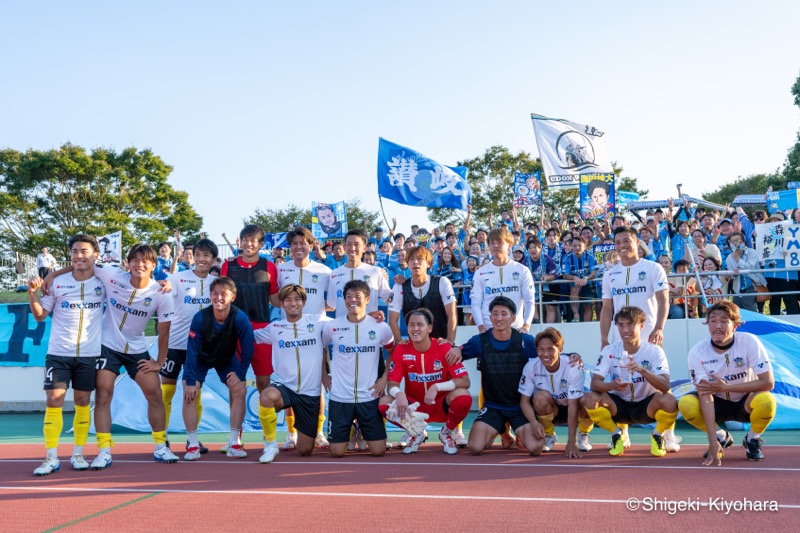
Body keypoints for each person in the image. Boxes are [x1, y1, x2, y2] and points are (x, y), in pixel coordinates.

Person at [44, 244, 178, 468]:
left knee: (155, 393)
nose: (139, 264)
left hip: (136, 350)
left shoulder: (161, 293)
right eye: (135, 260)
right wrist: (52, 275)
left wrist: (159, 362)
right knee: (104, 394)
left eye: (145, 261)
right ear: (128, 263)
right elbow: (83, 263)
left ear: (154, 265)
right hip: (107, 347)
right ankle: (104, 451)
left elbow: (164, 331)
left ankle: (160, 446)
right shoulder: (112, 275)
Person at [446, 297, 579, 455]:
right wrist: (455, 348)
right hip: (493, 406)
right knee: (475, 447)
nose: (499, 318)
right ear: (490, 317)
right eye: (495, 314)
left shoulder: (525, 341)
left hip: (520, 407)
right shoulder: (480, 341)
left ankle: (518, 432)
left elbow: (548, 354)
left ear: (513, 318)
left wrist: (573, 355)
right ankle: (502, 431)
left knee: (535, 448)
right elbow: (459, 352)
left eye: (504, 314)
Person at [29, 234, 105, 475]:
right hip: (58, 353)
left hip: (89, 354)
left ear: (95, 255)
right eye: (74, 251)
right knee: (54, 400)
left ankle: (78, 454)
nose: (79, 256)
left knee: (83, 402)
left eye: (84, 251)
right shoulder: (57, 283)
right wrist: (32, 293)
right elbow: (40, 316)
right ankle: (51, 457)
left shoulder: (104, 281)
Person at [678, 301, 776, 464]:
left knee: (767, 401)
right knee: (686, 404)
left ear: (735, 325)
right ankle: (720, 437)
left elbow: (768, 383)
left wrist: (728, 387)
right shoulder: (697, 352)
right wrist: (712, 440)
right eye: (713, 321)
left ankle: (751, 439)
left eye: (724, 321)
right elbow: (705, 395)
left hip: (745, 402)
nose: (718, 326)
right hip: (717, 403)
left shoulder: (749, 341)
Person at [582, 306, 678, 457]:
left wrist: (642, 370)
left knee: (670, 400)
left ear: (641, 326)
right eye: (621, 325)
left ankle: (657, 435)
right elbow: (594, 384)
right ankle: (616, 434)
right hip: (619, 406)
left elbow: (665, 386)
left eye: (630, 324)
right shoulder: (609, 350)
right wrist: (612, 385)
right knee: (589, 398)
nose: (625, 330)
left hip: (647, 406)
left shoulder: (654, 351)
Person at [255, 285, 330, 463]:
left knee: (304, 450)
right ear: (281, 304)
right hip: (285, 387)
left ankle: (310, 435)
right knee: (266, 396)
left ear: (304, 302)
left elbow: (346, 324)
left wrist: (372, 318)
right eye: (288, 300)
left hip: (310, 393)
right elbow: (247, 334)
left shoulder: (318, 321)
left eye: (297, 299)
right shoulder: (275, 327)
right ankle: (271, 445)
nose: (293, 303)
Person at [380, 309, 472, 454]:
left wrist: (437, 387)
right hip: (414, 409)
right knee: (384, 402)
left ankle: (446, 432)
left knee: (463, 396)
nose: (415, 328)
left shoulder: (444, 347)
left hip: (441, 405)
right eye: (411, 325)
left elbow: (464, 381)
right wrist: (398, 394)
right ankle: (416, 432)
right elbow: (392, 383)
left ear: (430, 328)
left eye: (420, 324)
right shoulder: (401, 349)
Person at [321, 280, 395, 458]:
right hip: (340, 397)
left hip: (369, 396)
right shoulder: (332, 326)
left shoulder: (380, 327)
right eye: (348, 296)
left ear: (367, 299)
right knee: (337, 452)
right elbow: (320, 348)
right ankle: (353, 427)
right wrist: (324, 375)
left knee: (379, 451)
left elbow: (393, 352)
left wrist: (384, 378)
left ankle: (361, 427)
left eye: (357, 296)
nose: (352, 300)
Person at [182, 277, 253, 460]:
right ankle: (193, 445)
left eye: (223, 294)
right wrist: (190, 381)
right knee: (189, 393)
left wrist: (240, 374)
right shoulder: (200, 318)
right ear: (210, 296)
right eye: (215, 293)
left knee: (240, 390)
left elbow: (248, 348)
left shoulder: (240, 318)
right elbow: (191, 351)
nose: (218, 297)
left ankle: (234, 443)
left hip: (225, 359)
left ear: (232, 297)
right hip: (200, 359)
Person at [159, 238, 218, 455]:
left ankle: (192, 439)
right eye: (198, 255)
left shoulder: (216, 283)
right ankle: (161, 439)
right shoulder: (178, 278)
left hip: (199, 348)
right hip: (175, 345)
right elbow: (163, 289)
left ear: (213, 259)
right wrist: (165, 285)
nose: (201, 259)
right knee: (166, 393)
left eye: (206, 255)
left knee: (194, 393)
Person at [276, 227, 332, 450]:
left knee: (317, 385)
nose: (298, 247)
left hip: (315, 337)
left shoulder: (325, 271)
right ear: (290, 247)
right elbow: (274, 298)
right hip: (288, 336)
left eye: (303, 243)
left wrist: (316, 318)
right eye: (294, 243)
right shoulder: (281, 270)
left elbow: (333, 303)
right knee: (289, 383)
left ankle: (318, 432)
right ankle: (292, 434)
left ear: (311, 245)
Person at [220, 224, 280, 399]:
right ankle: (235, 419)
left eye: (253, 240)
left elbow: (276, 300)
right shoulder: (228, 266)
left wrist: (299, 298)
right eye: (245, 239)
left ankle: (266, 418)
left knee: (264, 383)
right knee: (235, 383)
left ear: (261, 244)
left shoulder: (269, 267)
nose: (248, 244)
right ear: (240, 242)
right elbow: (220, 297)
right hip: (234, 329)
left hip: (261, 329)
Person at [518, 327, 592, 458]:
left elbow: (573, 405)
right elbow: (524, 401)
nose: (545, 354)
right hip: (552, 410)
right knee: (539, 397)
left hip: (574, 407)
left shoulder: (573, 366)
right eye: (541, 349)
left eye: (551, 349)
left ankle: (583, 433)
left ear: (560, 350)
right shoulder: (531, 367)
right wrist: (534, 423)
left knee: (587, 399)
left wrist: (571, 442)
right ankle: (549, 434)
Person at [470, 226, 536, 334]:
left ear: (509, 245)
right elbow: (475, 303)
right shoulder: (480, 273)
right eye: (492, 243)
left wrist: (526, 326)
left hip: (516, 329)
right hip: (489, 330)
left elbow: (530, 301)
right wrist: (481, 326)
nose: (495, 246)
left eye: (500, 242)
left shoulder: (522, 270)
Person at [326, 229, 392, 319]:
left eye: (357, 244)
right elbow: (331, 305)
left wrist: (403, 285)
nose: (352, 248)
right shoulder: (334, 274)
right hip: (342, 327)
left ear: (364, 248)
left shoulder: (376, 272)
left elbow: (390, 299)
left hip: (369, 326)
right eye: (349, 244)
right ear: (344, 247)